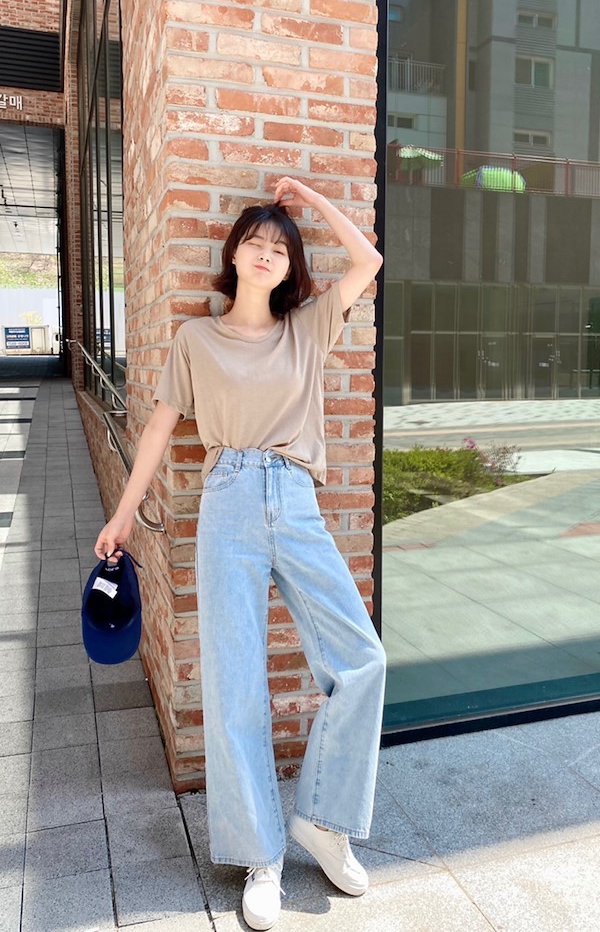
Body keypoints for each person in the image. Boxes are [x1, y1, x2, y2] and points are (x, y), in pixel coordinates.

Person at [94, 176, 387, 931]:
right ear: (232, 255)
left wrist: (307, 198)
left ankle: (323, 823)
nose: (264, 255)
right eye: (254, 243)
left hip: (294, 497)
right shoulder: (196, 340)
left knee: (362, 660)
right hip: (226, 500)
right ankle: (261, 855)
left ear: (290, 268)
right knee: (235, 685)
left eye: (279, 249)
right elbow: (159, 429)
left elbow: (368, 260)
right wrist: (122, 515)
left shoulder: (309, 327)